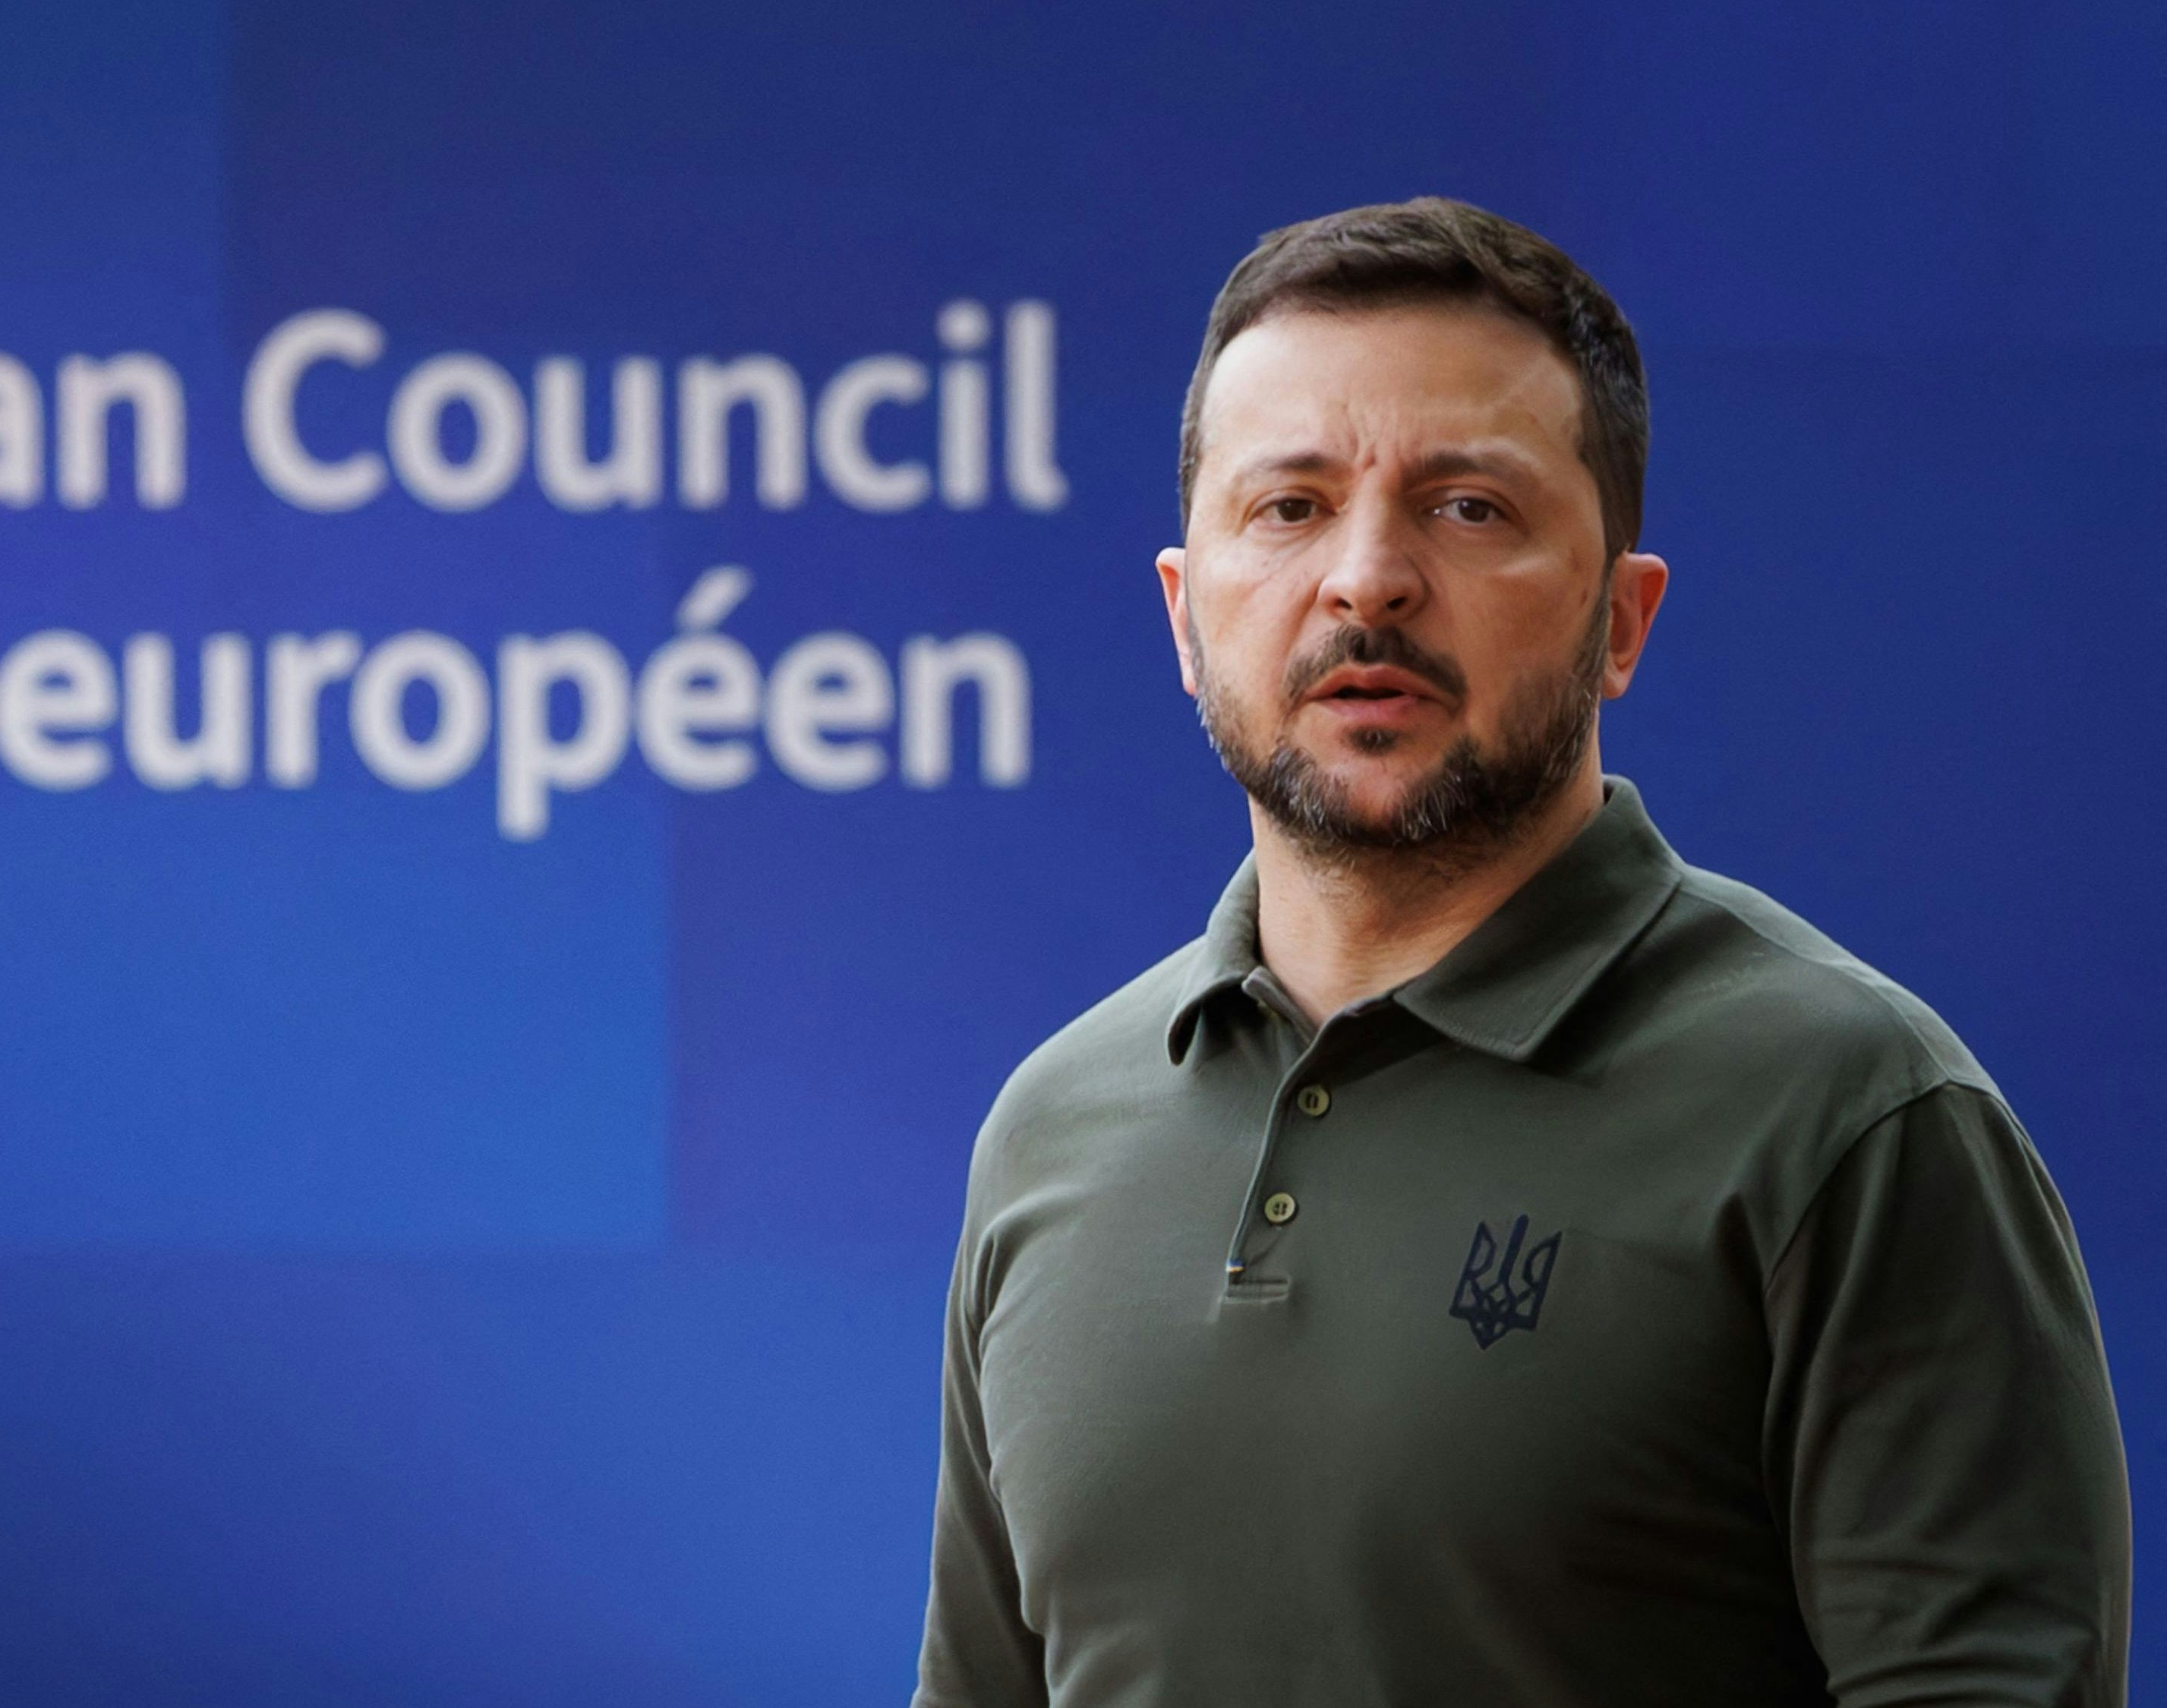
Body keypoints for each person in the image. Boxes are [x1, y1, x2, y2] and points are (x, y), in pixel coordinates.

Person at [912, 197, 2131, 1707]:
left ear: (1620, 620)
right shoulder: (1053, 1130)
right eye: (1287, 506)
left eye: (1467, 507)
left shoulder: (1849, 1116)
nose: (1365, 578)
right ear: (1182, 614)